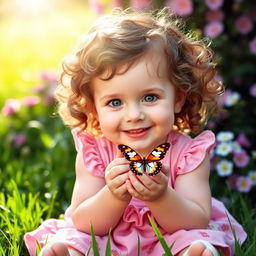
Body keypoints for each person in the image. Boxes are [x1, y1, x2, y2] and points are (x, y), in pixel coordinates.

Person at [24, 8, 247, 256]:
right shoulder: (95, 152)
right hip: (108, 235)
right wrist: (113, 195)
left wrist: (160, 196)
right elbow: (84, 221)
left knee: (196, 240)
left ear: (178, 98)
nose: (134, 115)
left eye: (150, 97)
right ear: (94, 109)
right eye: (115, 102)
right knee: (79, 238)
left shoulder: (188, 154)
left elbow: (196, 220)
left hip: (171, 235)